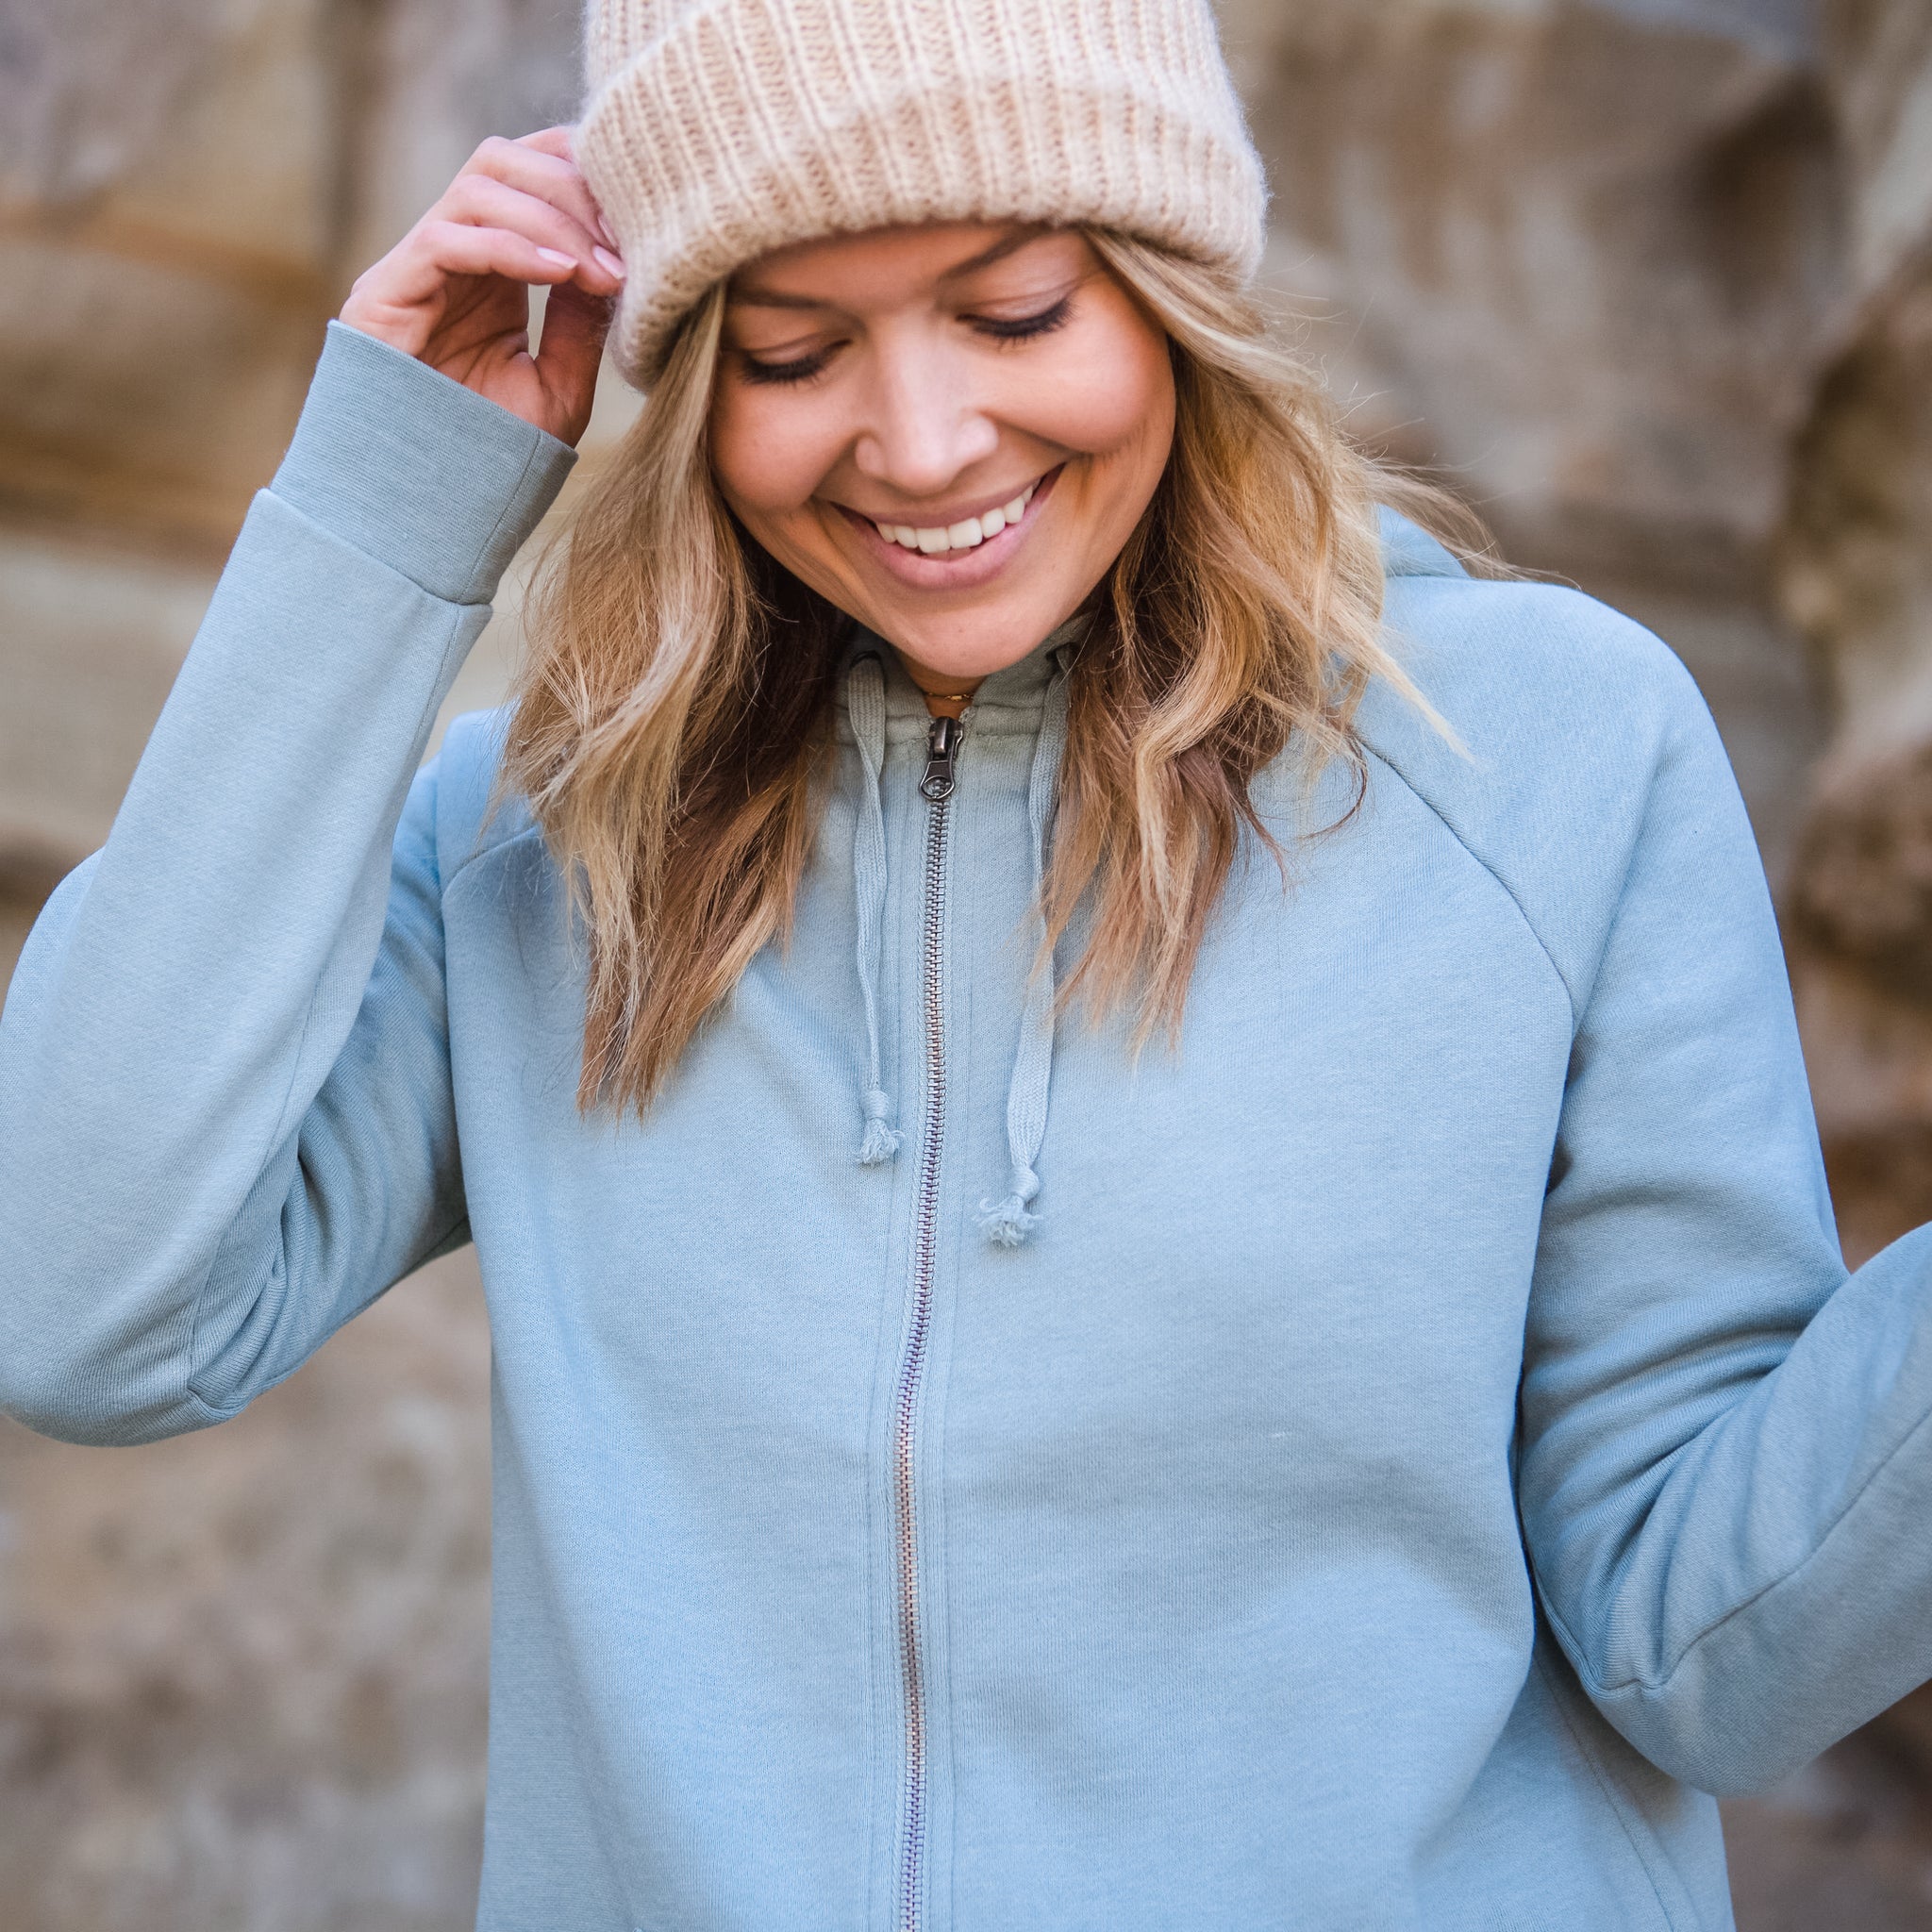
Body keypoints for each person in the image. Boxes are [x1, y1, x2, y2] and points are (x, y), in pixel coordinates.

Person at [0, 1, 1924, 1925]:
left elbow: (1709, 1653)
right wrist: (381, 501)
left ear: (1169, 295)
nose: (921, 448)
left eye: (1013, 315)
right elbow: (83, 1313)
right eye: (792, 352)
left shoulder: (1551, 755)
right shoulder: (540, 841)